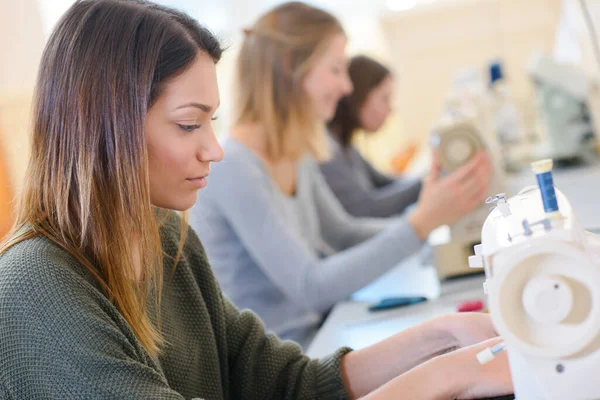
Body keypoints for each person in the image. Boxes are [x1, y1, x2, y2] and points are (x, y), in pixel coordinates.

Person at [191, 1, 492, 347]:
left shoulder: (296, 152)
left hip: (318, 336)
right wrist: (420, 225)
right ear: (292, 68)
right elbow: (310, 286)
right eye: (336, 69)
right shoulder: (234, 168)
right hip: (277, 363)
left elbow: (344, 232)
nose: (347, 87)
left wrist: (434, 225)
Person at [321, 55, 422, 218]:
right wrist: (426, 184)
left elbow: (385, 182)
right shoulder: (327, 150)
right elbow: (367, 208)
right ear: (359, 96)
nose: (390, 109)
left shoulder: (347, 146)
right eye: (384, 99)